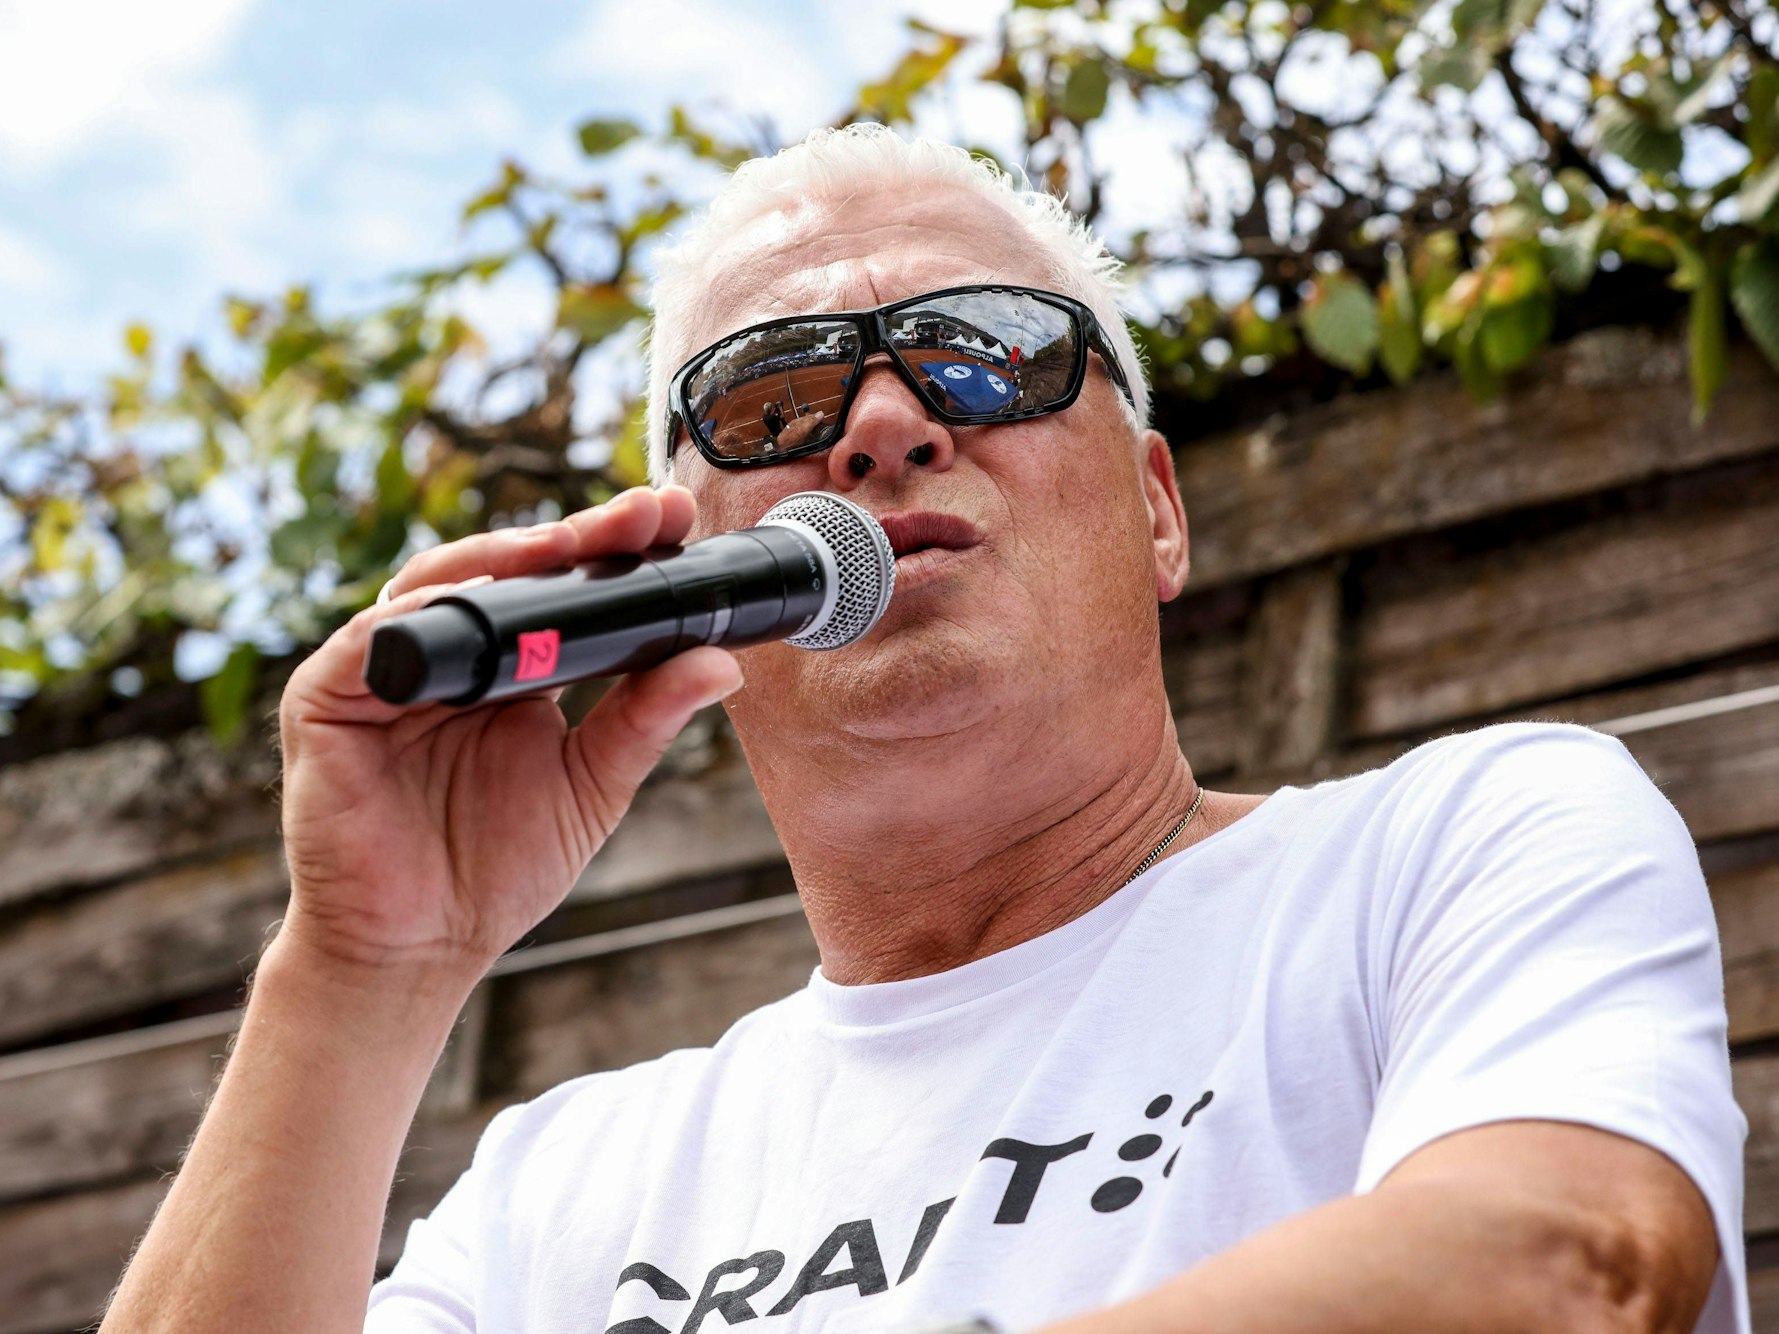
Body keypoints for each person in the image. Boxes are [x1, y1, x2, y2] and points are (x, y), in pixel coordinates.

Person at [99, 125, 1746, 1334]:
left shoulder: (1453, 846)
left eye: (982, 358)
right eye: (773, 398)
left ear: (1157, 512)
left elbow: (1553, 1266)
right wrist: (360, 964)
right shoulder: (567, 1183)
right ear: (680, 551)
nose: (884, 424)